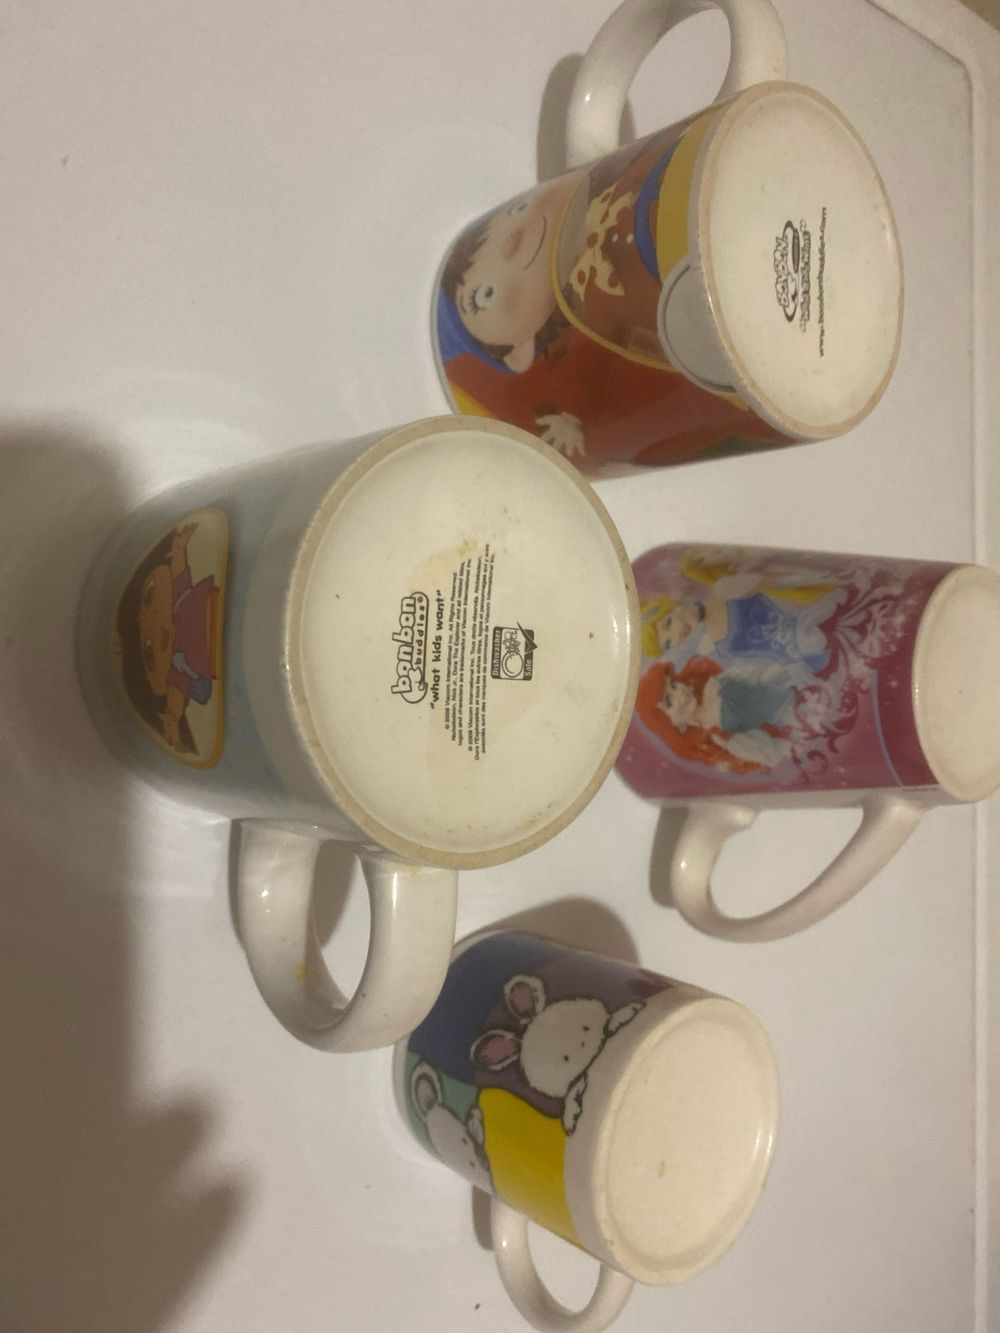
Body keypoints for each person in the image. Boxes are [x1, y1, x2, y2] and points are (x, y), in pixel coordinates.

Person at [435, 136, 783, 470]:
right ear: (518, 354)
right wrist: (570, 418)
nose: (510, 241)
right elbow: (584, 374)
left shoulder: (609, 194)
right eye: (484, 295)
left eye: (519, 210)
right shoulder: (595, 305)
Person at [116, 522, 220, 756]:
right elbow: (176, 696)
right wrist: (172, 719)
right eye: (150, 656)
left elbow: (179, 570)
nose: (155, 625)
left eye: (149, 597)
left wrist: (180, 547)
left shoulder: (180, 597)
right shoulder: (178, 670)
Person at [636, 656, 795, 774]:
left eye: (673, 684)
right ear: (670, 724)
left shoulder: (713, 684)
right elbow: (767, 751)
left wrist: (789, 668)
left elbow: (759, 676)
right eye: (669, 701)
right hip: (790, 726)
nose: (679, 692)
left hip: (790, 693)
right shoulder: (717, 735)